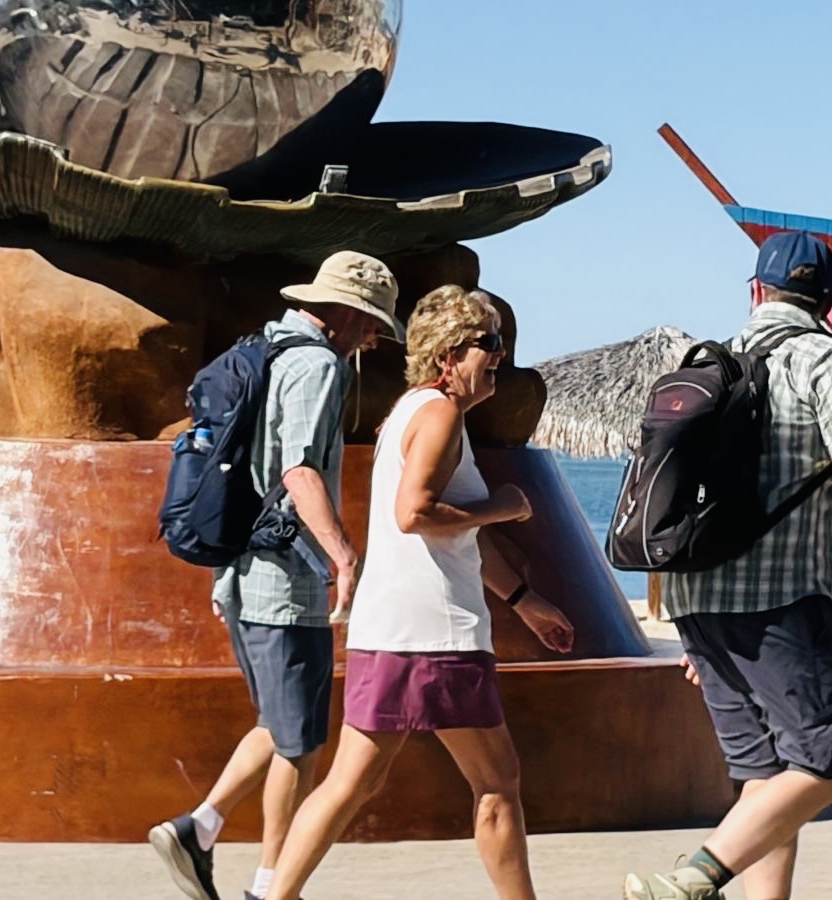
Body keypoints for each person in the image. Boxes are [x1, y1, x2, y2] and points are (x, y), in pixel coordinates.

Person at [624, 232, 832, 900]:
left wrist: (704, 624)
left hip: (695, 598)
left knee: (767, 775)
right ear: (828, 297)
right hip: (782, 597)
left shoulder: (709, 364)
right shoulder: (827, 359)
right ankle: (692, 879)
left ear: (758, 291)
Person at [262, 285, 577, 900]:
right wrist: (503, 507)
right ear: (449, 355)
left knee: (351, 783)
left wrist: (523, 601)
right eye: (489, 343)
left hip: (391, 628)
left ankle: (275, 895)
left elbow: (452, 534)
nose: (501, 354)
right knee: (497, 783)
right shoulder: (439, 415)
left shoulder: (409, 412)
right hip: (438, 634)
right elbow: (416, 515)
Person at [149, 250, 403, 900]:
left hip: (240, 571)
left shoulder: (267, 347)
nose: (373, 339)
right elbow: (299, 471)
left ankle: (200, 828)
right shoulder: (318, 365)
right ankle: (270, 887)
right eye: (371, 323)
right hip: (286, 578)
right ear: (344, 312)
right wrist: (344, 556)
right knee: (300, 742)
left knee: (277, 720)